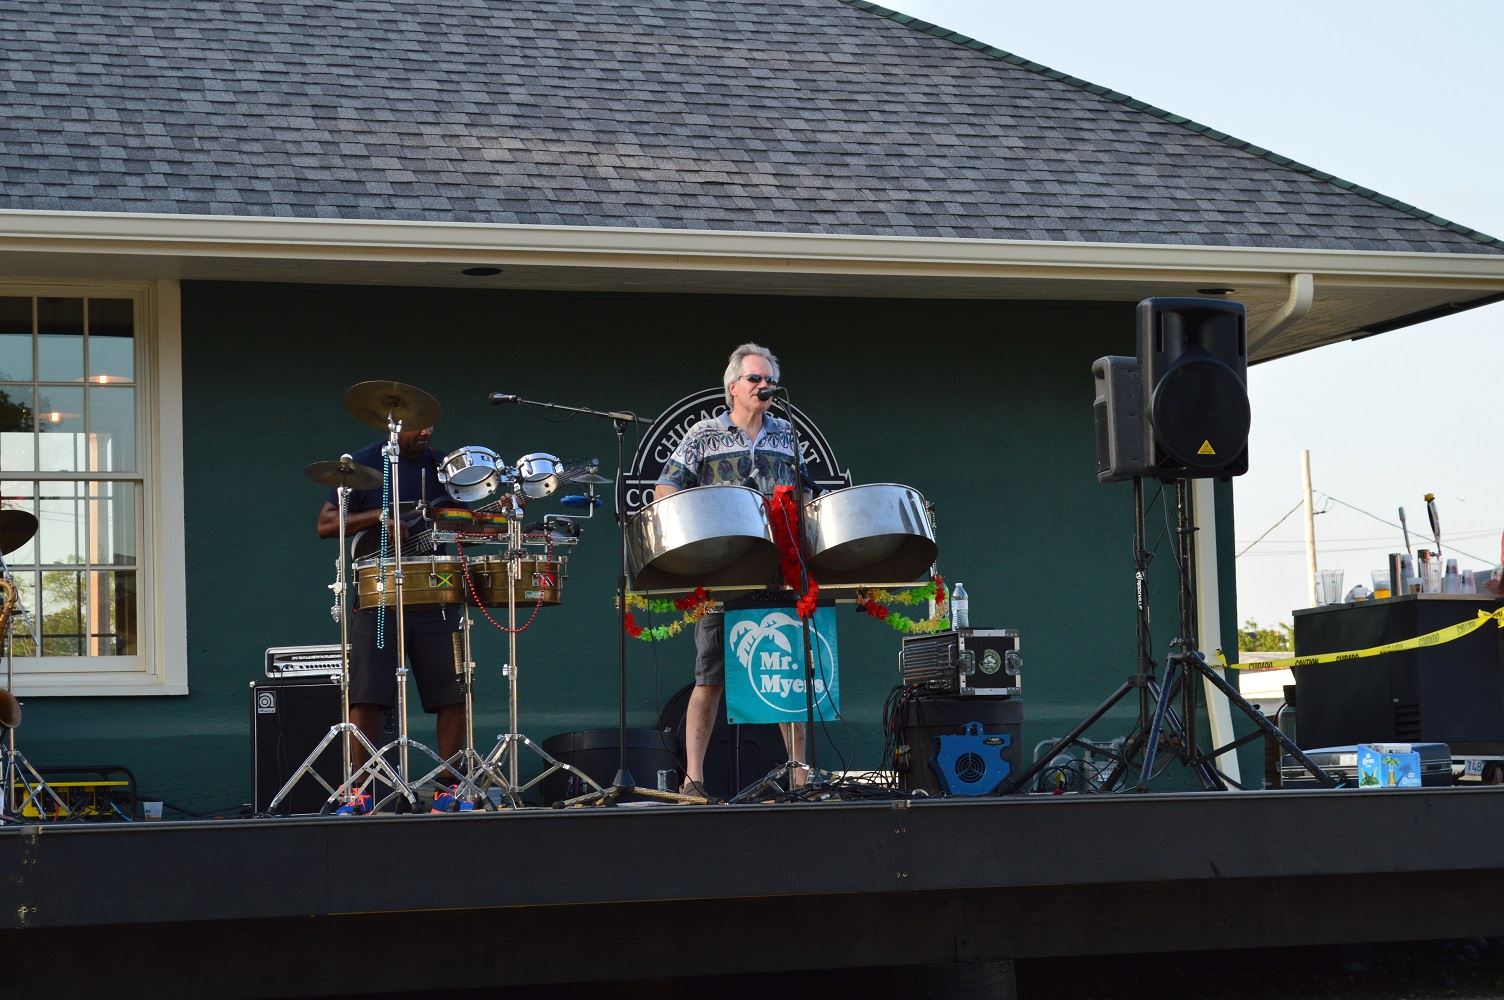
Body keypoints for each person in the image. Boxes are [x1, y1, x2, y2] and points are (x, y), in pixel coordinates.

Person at [654, 343, 809, 799]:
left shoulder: (786, 434)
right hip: (722, 571)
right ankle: (693, 779)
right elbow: (666, 486)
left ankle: (801, 777)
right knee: (710, 677)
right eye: (754, 378)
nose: (764, 386)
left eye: (769, 380)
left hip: (775, 570)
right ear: (733, 387)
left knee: (785, 677)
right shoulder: (704, 434)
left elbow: (806, 493)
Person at [316, 423, 468, 812]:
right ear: (395, 423)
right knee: (366, 695)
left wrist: (495, 516)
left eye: (431, 424)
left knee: (453, 693)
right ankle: (362, 789)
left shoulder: (444, 466)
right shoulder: (363, 463)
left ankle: (449, 788)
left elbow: (465, 521)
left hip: (435, 594)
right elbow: (326, 524)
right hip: (378, 595)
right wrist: (380, 518)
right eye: (418, 425)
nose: (426, 431)